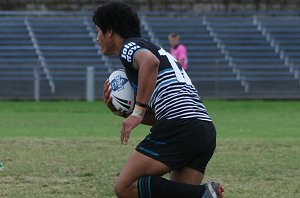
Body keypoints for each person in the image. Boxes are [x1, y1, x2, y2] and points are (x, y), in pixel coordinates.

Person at [93, 2, 224, 198]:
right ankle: (205, 194)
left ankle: (203, 194)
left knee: (125, 186)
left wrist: (137, 113)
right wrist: (125, 112)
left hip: (181, 125)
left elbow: (149, 62)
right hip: (203, 129)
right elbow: (161, 115)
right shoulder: (156, 50)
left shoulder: (130, 46)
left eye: (98, 31)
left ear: (109, 31)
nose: (97, 38)